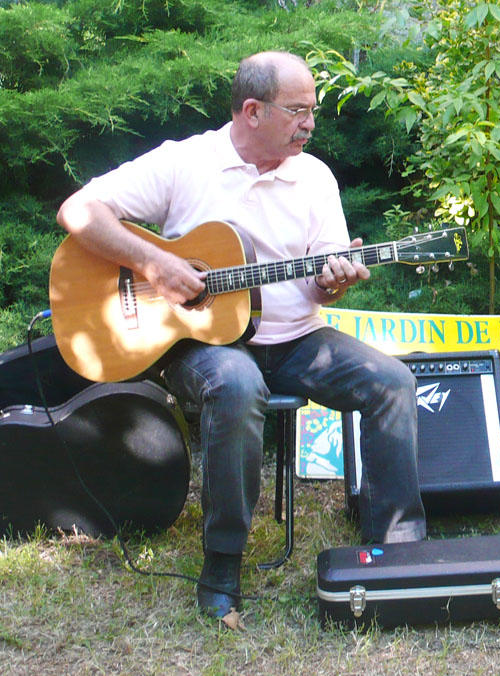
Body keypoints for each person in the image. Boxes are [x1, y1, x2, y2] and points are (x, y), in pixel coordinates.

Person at [56, 51, 426, 618]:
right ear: (252, 111)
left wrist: (335, 283)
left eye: (313, 110)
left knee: (393, 382)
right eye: (297, 111)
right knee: (236, 385)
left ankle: (396, 556)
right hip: (203, 345)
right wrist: (155, 263)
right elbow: (78, 211)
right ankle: (222, 566)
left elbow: (323, 284)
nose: (310, 123)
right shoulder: (185, 163)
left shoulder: (315, 178)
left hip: (297, 339)